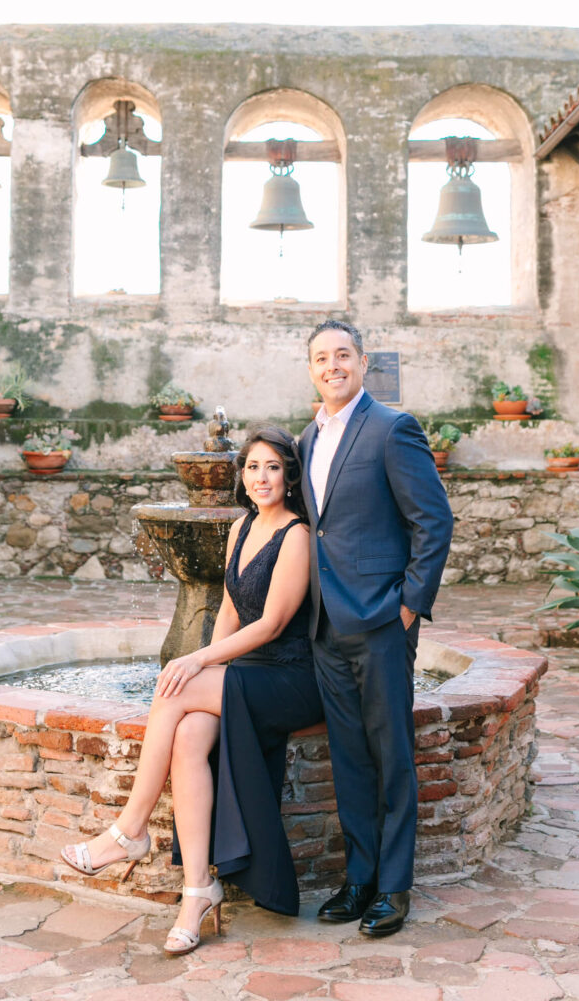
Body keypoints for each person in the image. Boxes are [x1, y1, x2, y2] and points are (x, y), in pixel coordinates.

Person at [61, 425, 323, 953]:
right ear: (242, 476)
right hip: (248, 672)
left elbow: (272, 624)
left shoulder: (297, 534)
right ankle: (199, 889)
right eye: (253, 467)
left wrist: (198, 660)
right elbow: (228, 610)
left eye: (273, 467)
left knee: (174, 686)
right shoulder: (241, 527)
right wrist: (206, 664)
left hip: (292, 677)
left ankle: (130, 830)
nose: (262, 477)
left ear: (290, 477)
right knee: (186, 736)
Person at [299, 320, 453, 938]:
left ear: (363, 362)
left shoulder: (393, 427)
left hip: (382, 621)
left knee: (391, 757)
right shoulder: (308, 438)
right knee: (349, 758)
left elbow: (433, 521)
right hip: (326, 624)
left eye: (343, 355)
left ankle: (393, 886)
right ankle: (359, 878)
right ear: (311, 369)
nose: (332, 366)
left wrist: (408, 607)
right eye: (321, 358)